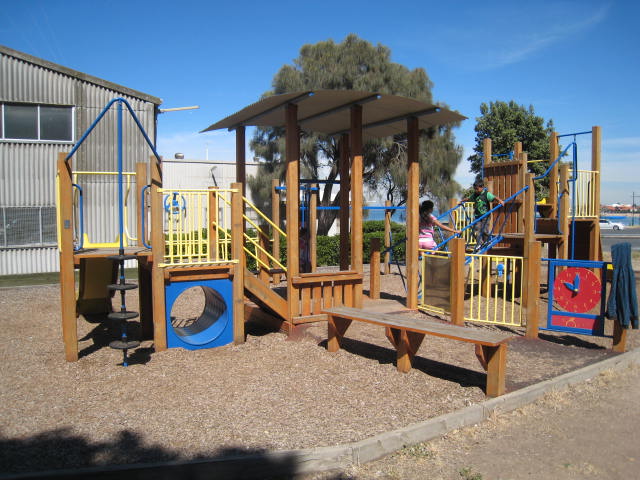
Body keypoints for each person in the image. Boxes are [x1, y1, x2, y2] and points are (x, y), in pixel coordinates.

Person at [460, 180, 504, 246]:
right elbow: (468, 199)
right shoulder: (474, 195)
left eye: (477, 189)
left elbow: (494, 197)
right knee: (476, 231)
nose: (476, 191)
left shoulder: (486, 194)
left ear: (482, 187)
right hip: (477, 216)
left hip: (486, 215)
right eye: (475, 189)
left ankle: (486, 241)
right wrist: (461, 201)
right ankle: (480, 243)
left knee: (485, 230)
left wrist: (500, 200)